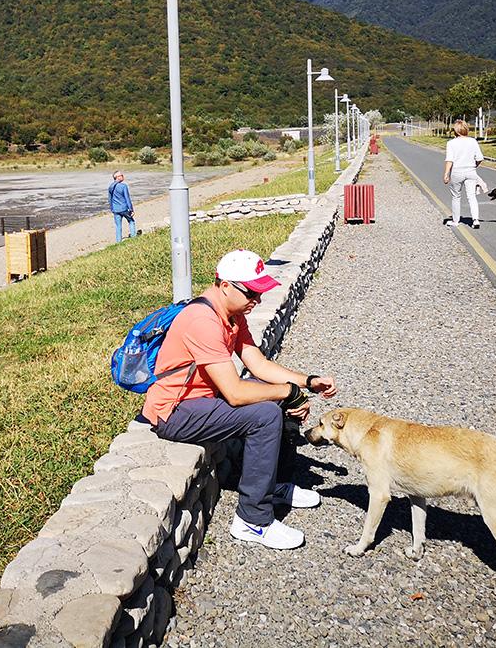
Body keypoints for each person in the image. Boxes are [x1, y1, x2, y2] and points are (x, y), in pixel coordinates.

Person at [140, 249, 339, 550]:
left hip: (203, 401)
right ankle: (253, 520)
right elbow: (234, 393)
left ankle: (274, 485)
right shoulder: (202, 320)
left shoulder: (231, 314)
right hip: (175, 412)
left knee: (273, 395)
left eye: (259, 294)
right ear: (225, 286)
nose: (256, 302)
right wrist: (287, 392)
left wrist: (306, 382)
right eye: (252, 293)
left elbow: (258, 365)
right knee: (267, 413)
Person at [443, 119, 485, 229]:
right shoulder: (473, 141)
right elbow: (480, 158)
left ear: (455, 130)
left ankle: (455, 221)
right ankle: (475, 220)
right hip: (471, 171)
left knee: (456, 196)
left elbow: (449, 160)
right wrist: (474, 166)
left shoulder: (451, 143)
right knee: (472, 196)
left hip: (457, 172)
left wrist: (446, 174)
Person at [108, 170, 136, 242]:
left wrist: (112, 209)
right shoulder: (123, 186)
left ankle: (118, 241)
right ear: (117, 177)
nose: (123, 176)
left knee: (118, 226)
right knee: (131, 221)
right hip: (124, 208)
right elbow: (127, 198)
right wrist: (131, 209)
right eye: (121, 175)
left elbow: (109, 199)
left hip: (116, 209)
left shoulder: (110, 187)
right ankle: (133, 238)